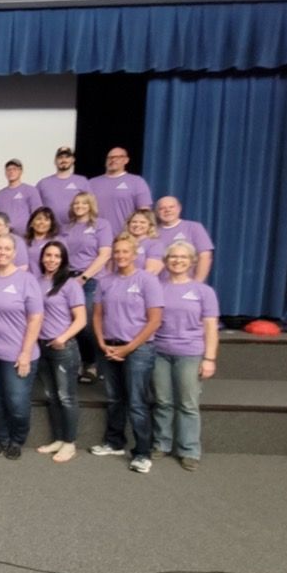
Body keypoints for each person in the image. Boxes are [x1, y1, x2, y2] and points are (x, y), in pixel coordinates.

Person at [88, 233, 164, 473]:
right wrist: (101, 342)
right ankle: (114, 442)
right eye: (117, 252)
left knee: (137, 402)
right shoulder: (105, 282)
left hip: (138, 350)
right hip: (109, 347)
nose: (120, 256)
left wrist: (128, 348)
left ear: (134, 254)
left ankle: (142, 452)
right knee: (114, 398)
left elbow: (154, 321)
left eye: (125, 252)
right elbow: (98, 315)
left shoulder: (147, 281)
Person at [152, 241, 219, 471]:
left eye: (183, 257)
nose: (177, 261)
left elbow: (210, 327)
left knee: (188, 404)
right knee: (162, 402)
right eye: (173, 257)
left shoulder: (203, 292)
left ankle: (189, 450)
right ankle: (161, 444)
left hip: (190, 354)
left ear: (191, 261)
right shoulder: (157, 287)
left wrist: (209, 358)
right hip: (159, 352)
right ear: (166, 260)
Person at [0, 234, 43, 459]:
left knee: (17, 402)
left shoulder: (26, 280)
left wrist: (25, 354)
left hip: (18, 354)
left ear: (14, 253)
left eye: (7, 249)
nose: (2, 253)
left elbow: (35, 318)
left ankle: (17, 439)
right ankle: (0, 438)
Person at [34, 241, 86, 462]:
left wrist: (62, 338)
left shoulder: (70, 284)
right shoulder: (37, 282)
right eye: (48, 255)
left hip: (63, 347)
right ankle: (58, 439)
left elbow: (81, 319)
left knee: (66, 397)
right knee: (52, 396)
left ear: (63, 259)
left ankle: (70, 442)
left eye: (56, 256)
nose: (51, 259)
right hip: (42, 346)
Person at [63, 192, 114, 384]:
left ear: (91, 205)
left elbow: (105, 254)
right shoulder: (67, 228)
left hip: (90, 280)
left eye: (83, 203)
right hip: (69, 279)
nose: (79, 206)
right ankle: (76, 364)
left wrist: (84, 277)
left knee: (87, 325)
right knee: (69, 324)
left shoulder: (101, 225)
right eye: (76, 203)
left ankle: (91, 363)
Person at [89, 145, 153, 233]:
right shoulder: (92, 183)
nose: (113, 160)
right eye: (110, 157)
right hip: (97, 236)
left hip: (125, 237)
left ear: (126, 160)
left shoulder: (137, 182)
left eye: (118, 157)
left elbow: (145, 212)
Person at [155, 196, 214, 282]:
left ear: (179, 209)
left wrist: (197, 283)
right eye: (162, 208)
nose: (167, 210)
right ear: (157, 212)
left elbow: (205, 256)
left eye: (171, 207)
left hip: (186, 286)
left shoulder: (194, 227)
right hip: (159, 286)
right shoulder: (152, 232)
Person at [37, 146, 92, 224]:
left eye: (67, 157)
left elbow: (91, 205)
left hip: (75, 228)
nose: (64, 160)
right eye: (60, 157)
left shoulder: (82, 181)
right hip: (50, 231)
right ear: (55, 161)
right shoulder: (43, 183)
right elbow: (36, 209)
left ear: (73, 160)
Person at [0, 158, 42, 233]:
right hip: (5, 237)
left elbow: (38, 214)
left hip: (26, 236)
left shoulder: (31, 190)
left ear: (21, 171)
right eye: (8, 169)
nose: (11, 172)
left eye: (15, 169)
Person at [126, 209, 164, 274]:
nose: (137, 225)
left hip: (139, 282)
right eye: (134, 222)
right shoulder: (122, 241)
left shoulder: (155, 244)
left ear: (150, 225)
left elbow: (151, 271)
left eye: (142, 222)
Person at [24, 207, 60, 276]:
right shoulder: (22, 242)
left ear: (51, 224)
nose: (42, 222)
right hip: (27, 281)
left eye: (46, 220)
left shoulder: (57, 241)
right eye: (38, 219)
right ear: (31, 223)